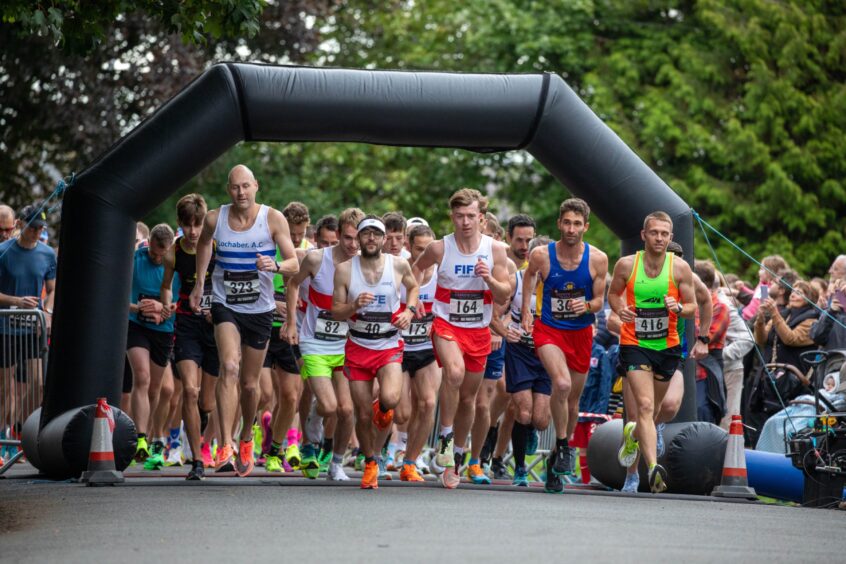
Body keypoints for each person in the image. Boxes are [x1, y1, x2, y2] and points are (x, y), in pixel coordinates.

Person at [189, 164, 299, 477]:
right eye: (236, 187)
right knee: (230, 367)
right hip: (226, 304)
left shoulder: (272, 218)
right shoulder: (215, 217)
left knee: (251, 385)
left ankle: (247, 436)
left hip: (260, 309)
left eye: (246, 186)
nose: (241, 193)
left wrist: (274, 265)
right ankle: (226, 444)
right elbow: (203, 245)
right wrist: (200, 282)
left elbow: (293, 262)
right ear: (229, 190)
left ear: (256, 186)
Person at [412, 188, 511, 489]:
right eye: (459, 216)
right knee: (453, 372)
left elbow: (504, 294)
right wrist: (413, 298)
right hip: (445, 324)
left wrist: (489, 278)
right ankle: (444, 436)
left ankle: (456, 455)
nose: (465, 222)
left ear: (481, 218)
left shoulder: (495, 250)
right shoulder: (440, 248)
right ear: (452, 217)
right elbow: (415, 270)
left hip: (478, 330)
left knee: (469, 398)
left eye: (471, 216)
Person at [522, 198, 608, 493]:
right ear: (559, 224)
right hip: (548, 330)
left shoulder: (597, 259)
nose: (571, 229)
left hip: (580, 333)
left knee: (572, 400)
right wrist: (526, 312)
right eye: (566, 222)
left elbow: (599, 302)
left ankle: (559, 458)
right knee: (560, 384)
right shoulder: (541, 255)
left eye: (577, 224)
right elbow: (529, 279)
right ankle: (562, 445)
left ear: (586, 226)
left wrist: (585, 305)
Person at [608, 211, 696, 493]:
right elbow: (613, 294)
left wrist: (680, 308)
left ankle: (633, 434)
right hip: (634, 344)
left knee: (655, 410)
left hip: (667, 347)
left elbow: (693, 306)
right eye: (654, 232)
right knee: (645, 406)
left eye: (664, 234)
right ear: (644, 235)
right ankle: (652, 468)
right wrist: (620, 308)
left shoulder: (680, 268)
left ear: (671, 238)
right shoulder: (626, 265)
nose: (659, 238)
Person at [332, 216, 419, 489]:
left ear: (384, 239)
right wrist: (353, 306)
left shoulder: (398, 264)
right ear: (358, 239)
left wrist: (409, 311)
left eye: (375, 234)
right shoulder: (345, 270)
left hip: (388, 344)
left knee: (391, 399)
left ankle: (383, 410)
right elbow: (336, 310)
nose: (371, 238)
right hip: (358, 346)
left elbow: (414, 287)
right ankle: (370, 462)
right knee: (363, 414)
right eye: (365, 234)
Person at [285, 207, 364, 479]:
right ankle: (313, 424)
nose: (353, 245)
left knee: (346, 409)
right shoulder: (317, 259)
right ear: (339, 235)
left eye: (358, 238)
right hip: (315, 343)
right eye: (348, 238)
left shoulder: (365, 264)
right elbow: (293, 284)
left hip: (347, 344)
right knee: (327, 406)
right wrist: (292, 322)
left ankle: (336, 463)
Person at [160, 194, 219, 480]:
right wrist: (167, 303)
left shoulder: (217, 245)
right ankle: (196, 460)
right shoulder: (173, 252)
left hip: (214, 327)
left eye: (197, 225)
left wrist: (218, 309)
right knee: (190, 392)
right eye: (188, 226)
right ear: (180, 224)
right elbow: (167, 286)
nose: (194, 232)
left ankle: (201, 422)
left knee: (207, 402)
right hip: (185, 324)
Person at [0, 204, 56, 451]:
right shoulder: (4, 251)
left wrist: (47, 311)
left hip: (34, 328)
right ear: (21, 225)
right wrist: (16, 301)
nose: (36, 232)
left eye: (40, 228)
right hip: (6, 327)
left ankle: (26, 435)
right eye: (32, 227)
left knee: (38, 383)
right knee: (5, 387)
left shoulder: (47, 254)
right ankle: (4, 441)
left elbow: (53, 289)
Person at [262, 202, 311, 475]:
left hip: (289, 329)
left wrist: (292, 316)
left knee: (291, 397)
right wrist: (272, 303)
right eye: (291, 235)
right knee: (264, 393)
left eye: (299, 235)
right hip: (262, 325)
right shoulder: (267, 246)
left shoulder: (307, 253)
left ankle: (275, 449)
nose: (294, 240)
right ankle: (253, 433)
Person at [127, 224, 178, 468]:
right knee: (142, 377)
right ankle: (140, 439)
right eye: (155, 253)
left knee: (156, 389)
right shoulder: (135, 259)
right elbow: (118, 294)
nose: (158, 258)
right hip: (136, 325)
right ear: (149, 244)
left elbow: (182, 301)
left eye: (163, 254)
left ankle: (149, 436)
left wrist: (164, 310)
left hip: (163, 330)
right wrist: (138, 308)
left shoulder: (174, 264)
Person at [505, 235, 552, 486]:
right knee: (523, 412)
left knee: (541, 420)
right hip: (520, 350)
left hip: (546, 354)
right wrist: (504, 330)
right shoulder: (516, 280)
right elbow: (496, 312)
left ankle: (532, 428)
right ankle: (520, 468)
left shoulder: (556, 283)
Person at [398, 223, 441, 481]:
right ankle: (378, 454)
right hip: (400, 348)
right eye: (418, 249)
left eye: (428, 249)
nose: (424, 254)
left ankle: (410, 462)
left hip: (427, 349)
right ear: (408, 247)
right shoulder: (399, 272)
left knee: (427, 403)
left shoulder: (441, 273)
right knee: (401, 411)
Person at [810, 256, 846, 351]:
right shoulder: (830, 302)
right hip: (828, 362)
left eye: (835, 269)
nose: (830, 271)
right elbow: (816, 337)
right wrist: (827, 311)